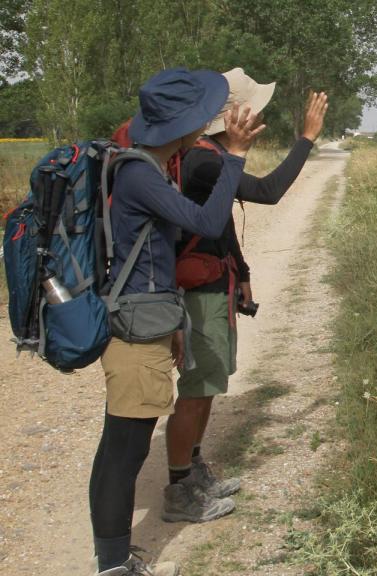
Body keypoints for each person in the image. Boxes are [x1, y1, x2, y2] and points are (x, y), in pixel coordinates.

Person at [90, 68, 263, 576]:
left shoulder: (152, 167)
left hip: (149, 320)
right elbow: (209, 222)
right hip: (133, 332)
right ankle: (114, 563)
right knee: (123, 451)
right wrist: (233, 154)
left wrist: (176, 323)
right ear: (183, 126)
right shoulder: (141, 173)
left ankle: (115, 558)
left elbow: (153, 258)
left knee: (124, 445)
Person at [161, 69, 329, 523]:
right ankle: (179, 490)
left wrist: (244, 271)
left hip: (216, 283)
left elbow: (218, 222)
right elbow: (268, 193)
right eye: (252, 106)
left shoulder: (209, 155)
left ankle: (193, 471)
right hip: (198, 293)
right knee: (196, 389)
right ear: (231, 114)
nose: (259, 112)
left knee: (210, 383)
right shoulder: (207, 160)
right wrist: (306, 139)